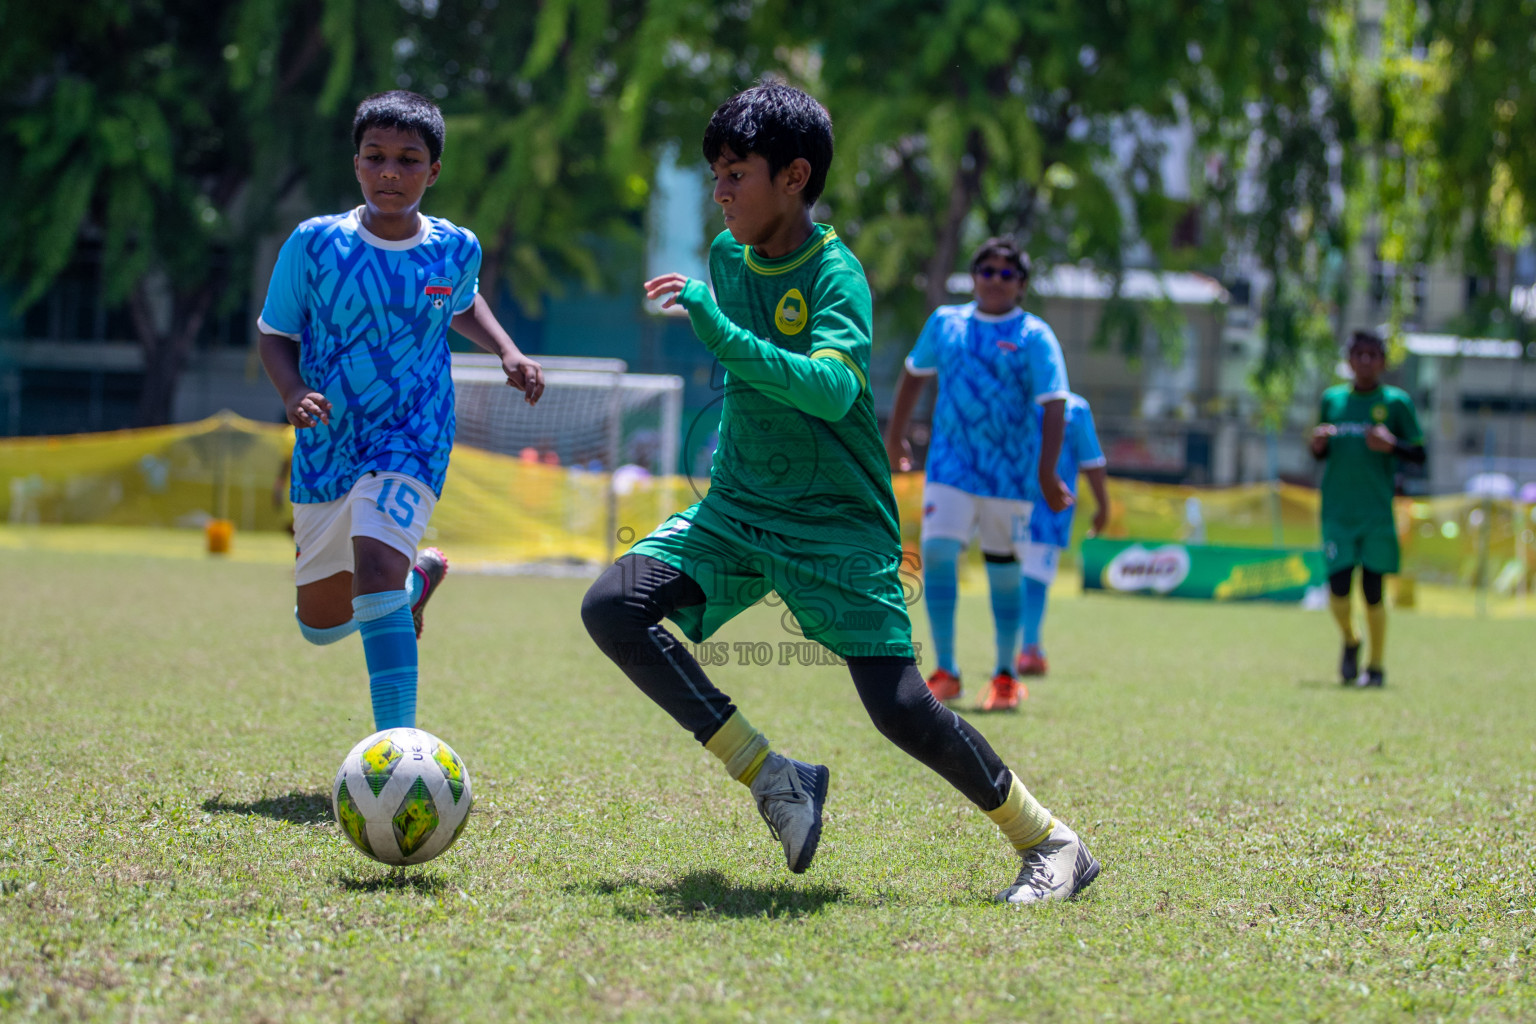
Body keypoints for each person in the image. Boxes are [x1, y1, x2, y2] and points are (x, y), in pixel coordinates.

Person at [581, 82, 1098, 904]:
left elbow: (828, 389)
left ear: (793, 177)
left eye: (735, 173)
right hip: (739, 510)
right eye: (713, 172)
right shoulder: (724, 259)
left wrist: (718, 327)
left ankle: (1052, 841)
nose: (719, 191)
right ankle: (774, 777)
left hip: (837, 527)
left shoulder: (837, 275)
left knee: (900, 710)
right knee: (612, 605)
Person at [257, 91, 544, 731]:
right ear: (356, 163)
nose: (391, 171)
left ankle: (397, 753)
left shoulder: (455, 248)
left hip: (414, 432)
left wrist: (507, 349)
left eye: (409, 160)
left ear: (433, 170)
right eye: (376, 157)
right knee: (322, 623)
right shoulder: (314, 245)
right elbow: (276, 334)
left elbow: (459, 302)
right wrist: (290, 392)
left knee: (377, 569)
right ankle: (414, 586)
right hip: (329, 441)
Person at [884, 238, 1073, 712]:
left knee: (1003, 572)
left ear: (1022, 285)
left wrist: (1047, 473)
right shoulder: (946, 323)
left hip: (1008, 477)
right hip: (950, 468)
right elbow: (913, 374)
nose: (995, 279)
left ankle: (1006, 675)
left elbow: (1055, 405)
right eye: (986, 271)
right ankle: (946, 669)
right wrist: (894, 435)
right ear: (973, 277)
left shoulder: (1034, 335)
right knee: (938, 551)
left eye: (1006, 274)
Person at [1310, 330, 1424, 687]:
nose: (1364, 361)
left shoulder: (1396, 403)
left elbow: (1421, 455)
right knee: (1338, 588)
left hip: (1375, 513)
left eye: (1372, 355)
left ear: (1383, 362)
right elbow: (1320, 454)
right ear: (1348, 360)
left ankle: (1375, 667)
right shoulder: (1332, 400)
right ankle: (1350, 639)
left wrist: (1392, 446)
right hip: (1337, 512)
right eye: (1358, 354)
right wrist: (1316, 444)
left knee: (1373, 589)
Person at [1016, 393, 1109, 677]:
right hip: (1037, 505)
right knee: (1033, 579)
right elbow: (1092, 460)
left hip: (1023, 502)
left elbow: (1091, 460)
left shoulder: (1018, 396)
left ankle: (1019, 648)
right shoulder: (1074, 408)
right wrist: (1103, 506)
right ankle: (1027, 648)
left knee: (1020, 576)